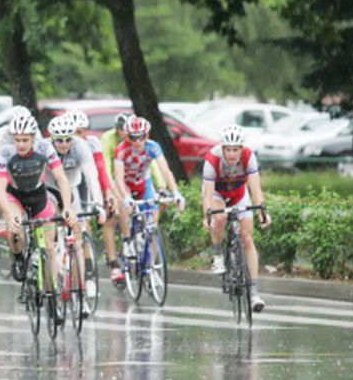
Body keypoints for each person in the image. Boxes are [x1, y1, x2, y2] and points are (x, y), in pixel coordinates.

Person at [0, 112, 76, 317]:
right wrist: (8, 215)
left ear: (33, 138)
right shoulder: (5, 153)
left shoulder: (44, 148)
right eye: (17, 140)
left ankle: (52, 296)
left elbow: (61, 179)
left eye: (25, 140)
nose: (21, 145)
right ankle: (17, 255)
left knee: (49, 248)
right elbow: (0, 189)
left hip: (39, 197)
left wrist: (67, 207)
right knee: (16, 226)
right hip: (15, 198)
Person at [201, 124, 272, 312]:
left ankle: (254, 293)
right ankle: (217, 254)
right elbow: (207, 194)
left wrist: (262, 212)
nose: (232, 154)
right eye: (228, 149)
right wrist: (207, 215)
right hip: (217, 194)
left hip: (239, 194)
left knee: (248, 239)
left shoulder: (249, 157)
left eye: (236, 149)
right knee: (221, 217)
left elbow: (256, 189)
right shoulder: (212, 159)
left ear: (242, 148)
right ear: (222, 149)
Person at [45, 115, 106, 317]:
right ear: (52, 138)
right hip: (49, 190)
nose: (63, 144)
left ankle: (80, 297)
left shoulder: (80, 147)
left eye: (67, 139)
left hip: (71, 189)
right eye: (59, 140)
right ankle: (51, 274)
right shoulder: (44, 148)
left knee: (77, 240)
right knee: (51, 233)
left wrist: (99, 204)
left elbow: (91, 176)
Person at [113, 115, 185, 261]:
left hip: (143, 183)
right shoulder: (121, 150)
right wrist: (126, 197)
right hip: (126, 184)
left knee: (153, 223)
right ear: (128, 137)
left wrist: (176, 192)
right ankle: (127, 240)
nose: (138, 141)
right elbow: (119, 179)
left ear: (147, 135)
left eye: (142, 137)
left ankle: (151, 265)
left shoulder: (153, 147)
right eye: (134, 138)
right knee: (126, 208)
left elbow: (166, 171)